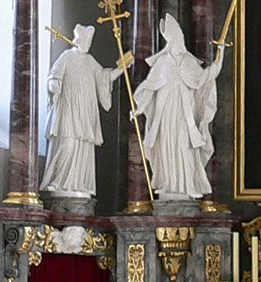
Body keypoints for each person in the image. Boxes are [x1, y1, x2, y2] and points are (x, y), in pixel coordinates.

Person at [134, 13, 225, 199]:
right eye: (178, 39)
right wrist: (139, 108)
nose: (181, 42)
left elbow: (207, 76)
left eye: (182, 39)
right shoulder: (162, 63)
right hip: (165, 114)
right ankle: (168, 185)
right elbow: (149, 88)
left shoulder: (189, 61)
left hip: (185, 114)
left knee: (185, 146)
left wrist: (221, 54)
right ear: (171, 42)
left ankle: (188, 185)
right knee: (166, 147)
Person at [40, 24, 126, 196]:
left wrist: (120, 70)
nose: (87, 45)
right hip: (69, 107)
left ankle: (77, 185)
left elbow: (104, 77)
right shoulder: (67, 56)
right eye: (85, 41)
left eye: (89, 42)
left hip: (86, 111)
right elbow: (54, 74)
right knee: (68, 143)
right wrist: (53, 83)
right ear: (78, 40)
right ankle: (57, 181)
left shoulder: (90, 60)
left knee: (83, 147)